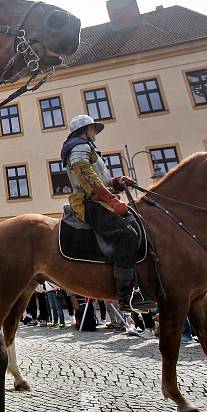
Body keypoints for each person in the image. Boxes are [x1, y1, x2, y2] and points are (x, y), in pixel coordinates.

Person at [61, 115, 156, 313]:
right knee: (127, 234)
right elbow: (86, 177)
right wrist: (111, 199)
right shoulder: (79, 147)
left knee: (137, 224)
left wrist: (116, 182)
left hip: (98, 199)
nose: (95, 132)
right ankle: (126, 295)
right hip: (89, 202)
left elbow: (100, 179)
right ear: (85, 130)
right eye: (93, 129)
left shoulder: (86, 147)